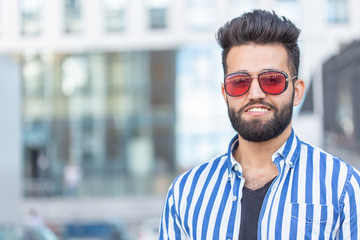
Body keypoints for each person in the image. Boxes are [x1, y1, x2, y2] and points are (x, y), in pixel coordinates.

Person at [159, 9, 360, 239]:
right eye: (239, 82)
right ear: (225, 94)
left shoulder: (344, 189)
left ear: (297, 91)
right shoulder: (185, 194)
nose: (255, 93)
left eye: (272, 80)